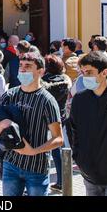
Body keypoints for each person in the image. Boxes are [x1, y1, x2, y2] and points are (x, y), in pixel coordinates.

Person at [0, 52, 63, 197]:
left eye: (28, 66)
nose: (22, 70)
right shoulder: (10, 95)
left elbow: (59, 139)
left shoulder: (47, 100)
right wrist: (4, 123)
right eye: (21, 66)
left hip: (36, 168)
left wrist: (34, 151)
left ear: (41, 71)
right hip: (11, 165)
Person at [67, 51, 107, 196]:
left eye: (89, 72)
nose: (84, 77)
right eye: (82, 72)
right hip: (89, 175)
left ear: (104, 72)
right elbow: (72, 130)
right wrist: (78, 157)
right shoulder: (80, 99)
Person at [42, 55, 72, 191]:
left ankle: (42, 184)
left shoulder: (42, 83)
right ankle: (62, 181)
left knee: (44, 152)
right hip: (60, 118)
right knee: (58, 150)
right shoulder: (66, 81)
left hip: (44, 121)